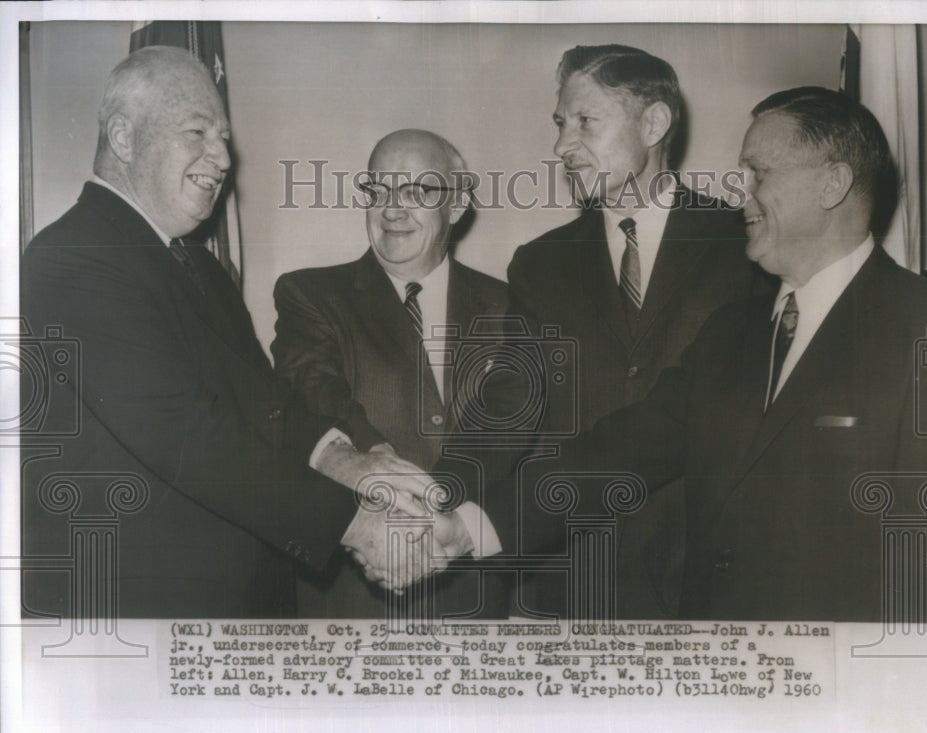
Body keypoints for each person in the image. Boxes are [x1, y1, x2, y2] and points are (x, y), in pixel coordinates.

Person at [392, 86, 927, 622]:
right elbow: (618, 452)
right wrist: (468, 528)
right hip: (713, 666)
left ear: (831, 184)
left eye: (758, 174)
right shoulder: (731, 334)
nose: (741, 194)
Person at [20, 47, 466, 618]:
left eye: (224, 138)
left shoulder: (201, 268)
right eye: (197, 132)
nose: (224, 158)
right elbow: (188, 435)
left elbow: (267, 405)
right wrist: (356, 524)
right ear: (124, 138)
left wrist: (351, 463)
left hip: (228, 609)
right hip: (132, 617)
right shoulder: (74, 258)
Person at [503, 44, 771, 619]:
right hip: (572, 579)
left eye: (585, 121)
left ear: (653, 124)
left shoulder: (745, 245)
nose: (561, 145)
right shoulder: (537, 264)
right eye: (559, 123)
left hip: (710, 578)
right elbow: (507, 410)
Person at [272, 129, 510, 618]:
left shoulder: (510, 305)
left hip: (476, 602)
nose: (392, 210)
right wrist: (381, 472)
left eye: (416, 191)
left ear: (457, 204)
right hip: (353, 600)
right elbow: (316, 396)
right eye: (378, 190)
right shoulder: (310, 295)